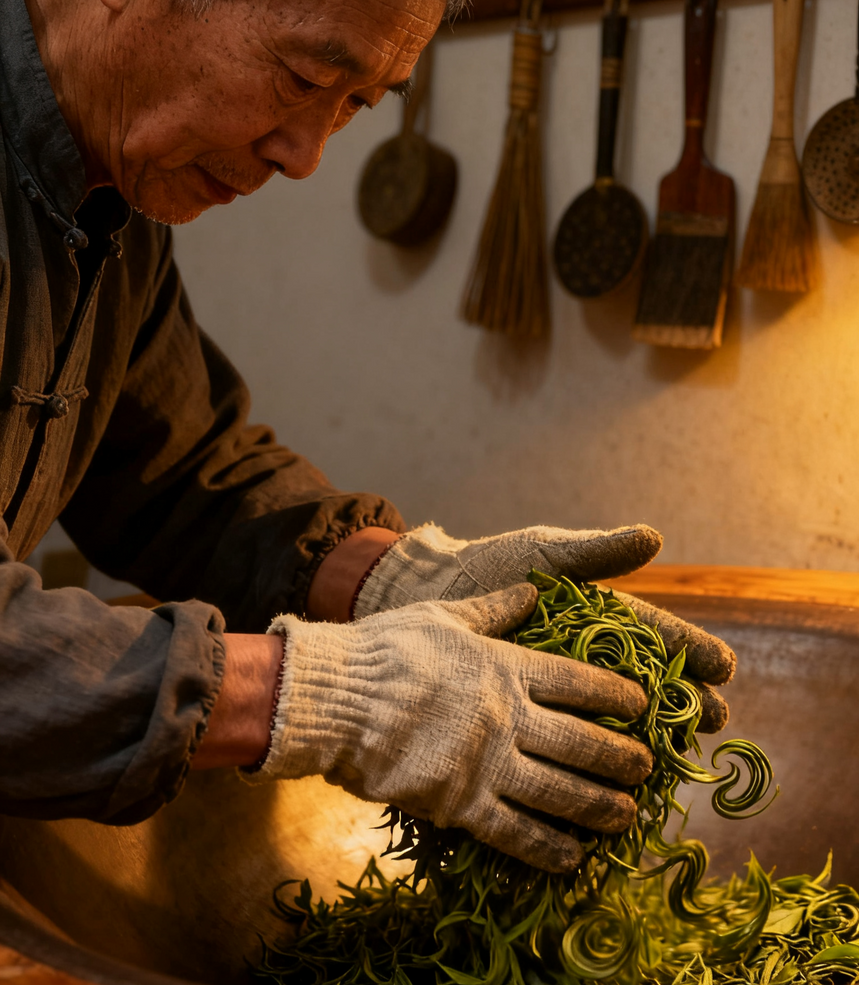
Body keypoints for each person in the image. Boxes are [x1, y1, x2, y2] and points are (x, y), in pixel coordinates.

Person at [0, 0, 736, 873]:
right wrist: (331, 697)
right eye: (305, 76)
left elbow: (176, 468)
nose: (304, 157)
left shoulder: (113, 193)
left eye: (357, 103)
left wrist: (392, 577)